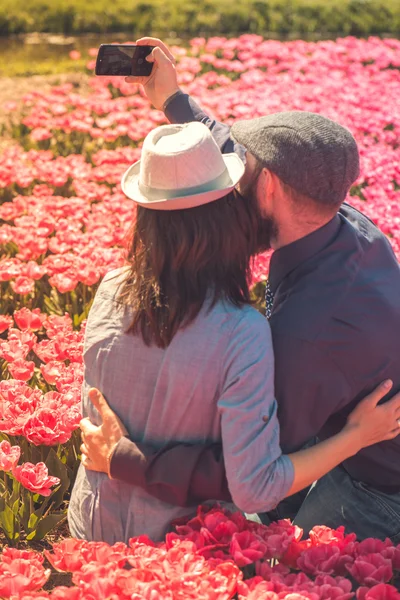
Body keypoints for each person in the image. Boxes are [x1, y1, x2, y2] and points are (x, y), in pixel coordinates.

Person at [79, 38, 400, 542]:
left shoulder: (307, 332)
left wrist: (125, 459)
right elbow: (227, 145)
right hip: (337, 427)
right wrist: (172, 100)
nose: (231, 178)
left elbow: (248, 476)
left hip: (378, 482)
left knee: (289, 563)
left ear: (267, 186)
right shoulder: (338, 220)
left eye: (241, 172)